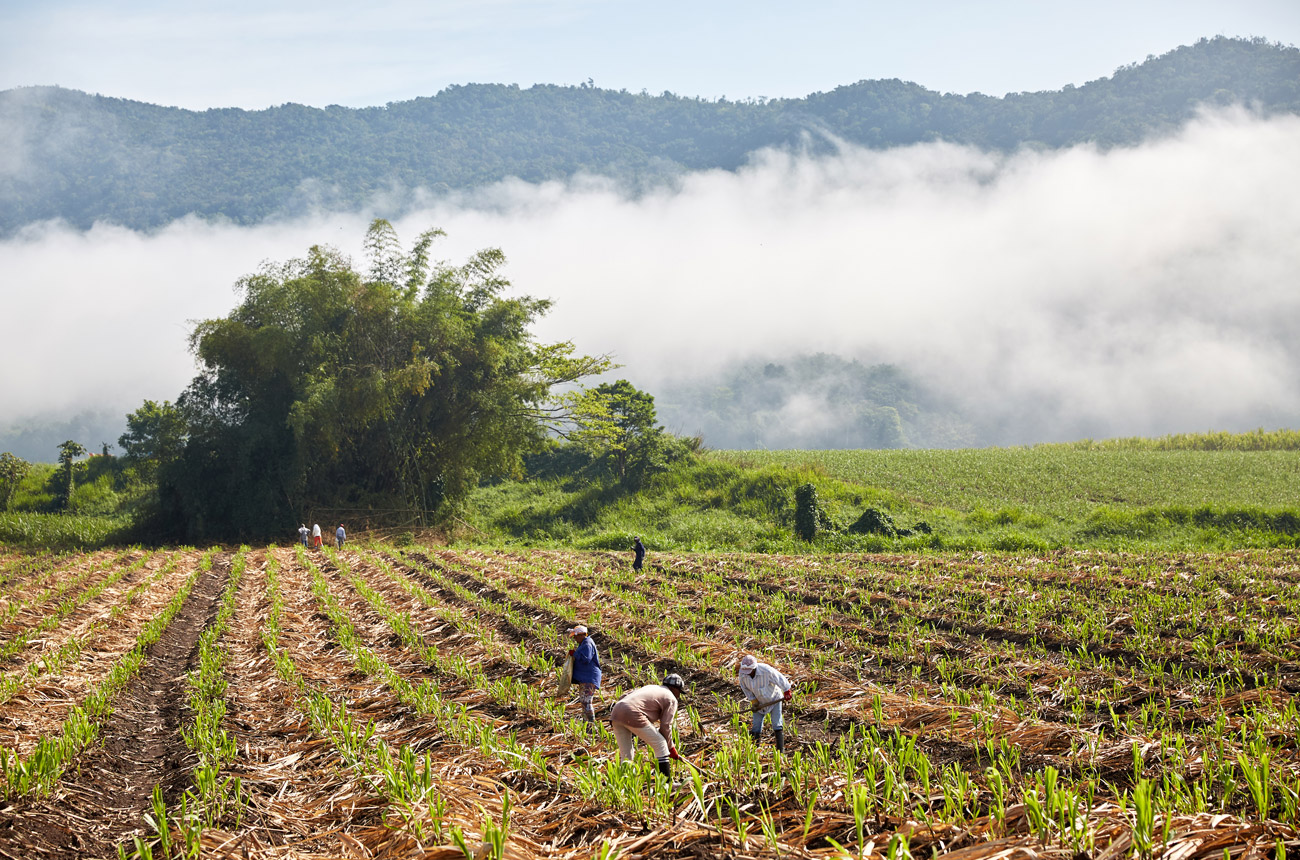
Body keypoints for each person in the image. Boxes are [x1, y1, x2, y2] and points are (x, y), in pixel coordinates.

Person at [609, 674, 684, 777]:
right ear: (674, 688)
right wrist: (670, 748)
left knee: (626, 752)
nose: (679, 695)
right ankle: (666, 782)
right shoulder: (671, 698)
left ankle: (624, 781)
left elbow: (623, 697)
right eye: (679, 692)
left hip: (616, 711)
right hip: (633, 712)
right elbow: (666, 725)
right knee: (660, 743)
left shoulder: (651, 687)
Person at [736, 654, 793, 752]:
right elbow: (745, 688)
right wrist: (753, 700)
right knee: (756, 725)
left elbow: (779, 678)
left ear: (754, 668)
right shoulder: (743, 674)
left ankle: (780, 751)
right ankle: (754, 750)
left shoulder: (766, 671)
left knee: (776, 723)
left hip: (774, 698)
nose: (747, 674)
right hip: (758, 701)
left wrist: (786, 690)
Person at [566, 625, 601, 721]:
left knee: (586, 701)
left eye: (576, 636)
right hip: (585, 677)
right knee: (584, 701)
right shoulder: (583, 644)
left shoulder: (587, 644)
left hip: (589, 677)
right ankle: (587, 723)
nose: (575, 638)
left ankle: (590, 725)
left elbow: (586, 659)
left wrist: (575, 654)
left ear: (582, 635)